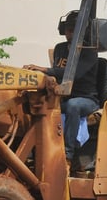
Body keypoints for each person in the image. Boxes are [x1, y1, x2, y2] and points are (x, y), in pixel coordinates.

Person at [23, 10, 98, 163]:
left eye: (74, 29)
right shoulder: (60, 48)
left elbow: (73, 74)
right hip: (62, 97)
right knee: (34, 104)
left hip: (86, 99)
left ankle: (68, 154)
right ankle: (33, 150)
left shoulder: (89, 52)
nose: (69, 32)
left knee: (73, 106)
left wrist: (44, 69)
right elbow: (58, 74)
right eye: (68, 28)